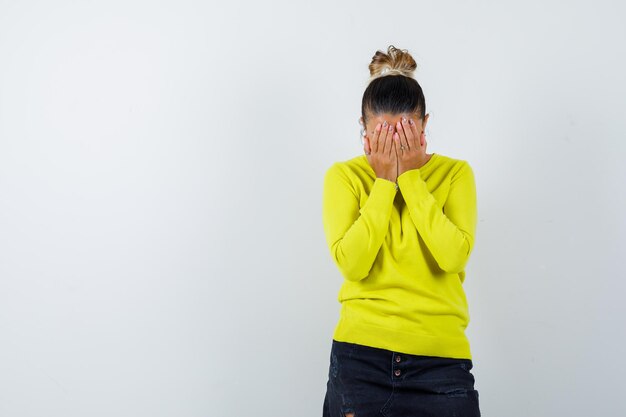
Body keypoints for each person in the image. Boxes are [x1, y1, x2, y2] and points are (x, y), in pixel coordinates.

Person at [321, 45, 481, 417]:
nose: (393, 144)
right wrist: (382, 185)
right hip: (360, 359)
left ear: (424, 124)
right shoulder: (344, 177)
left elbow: (453, 256)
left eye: (404, 133)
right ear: (363, 129)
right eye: (382, 134)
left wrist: (410, 178)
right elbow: (353, 265)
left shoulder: (456, 174)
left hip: (441, 362)